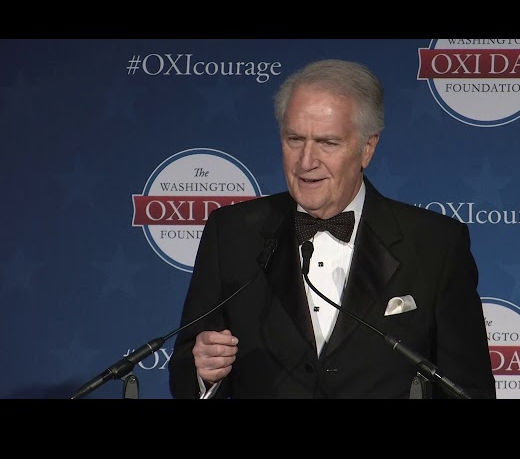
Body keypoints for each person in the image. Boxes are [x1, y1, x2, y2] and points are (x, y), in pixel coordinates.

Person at [168, 58, 496, 399]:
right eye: (295, 139)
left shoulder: (435, 244)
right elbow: (187, 366)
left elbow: (468, 389)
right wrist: (203, 373)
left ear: (367, 148)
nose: (306, 161)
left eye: (327, 143)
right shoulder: (232, 233)